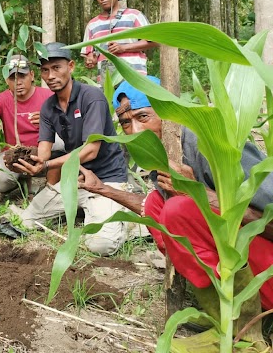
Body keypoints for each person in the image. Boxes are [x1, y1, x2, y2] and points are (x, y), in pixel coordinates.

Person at [78, 77, 273, 350]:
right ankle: (226, 316)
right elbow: (152, 209)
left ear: (170, 114)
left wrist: (204, 196)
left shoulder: (206, 142)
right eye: (125, 122)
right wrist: (102, 189)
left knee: (179, 208)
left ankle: (249, 331)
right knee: (163, 205)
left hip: (266, 272)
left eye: (143, 116)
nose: (135, 130)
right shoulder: (165, 152)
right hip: (243, 276)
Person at [12, 43, 132, 256]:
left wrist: (47, 165)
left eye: (57, 68)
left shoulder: (91, 97)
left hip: (106, 179)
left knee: (101, 245)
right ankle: (86, 211)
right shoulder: (48, 107)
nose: (50, 76)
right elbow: (44, 152)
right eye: (45, 70)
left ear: (71, 66)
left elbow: (90, 151)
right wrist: (28, 161)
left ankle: (125, 217)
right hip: (76, 179)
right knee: (26, 220)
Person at [0, 55, 53, 193]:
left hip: (45, 157)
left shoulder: (48, 97)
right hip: (14, 158)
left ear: (32, 75)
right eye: (13, 78)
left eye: (22, 76)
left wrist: (49, 121)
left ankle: (52, 182)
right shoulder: (2, 99)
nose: (18, 82)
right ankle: (20, 180)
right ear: (6, 80)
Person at [81, 0, 154, 84]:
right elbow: (89, 54)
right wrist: (91, 60)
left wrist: (124, 48)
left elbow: (154, 41)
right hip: (107, 83)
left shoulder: (134, 16)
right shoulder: (92, 25)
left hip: (135, 81)